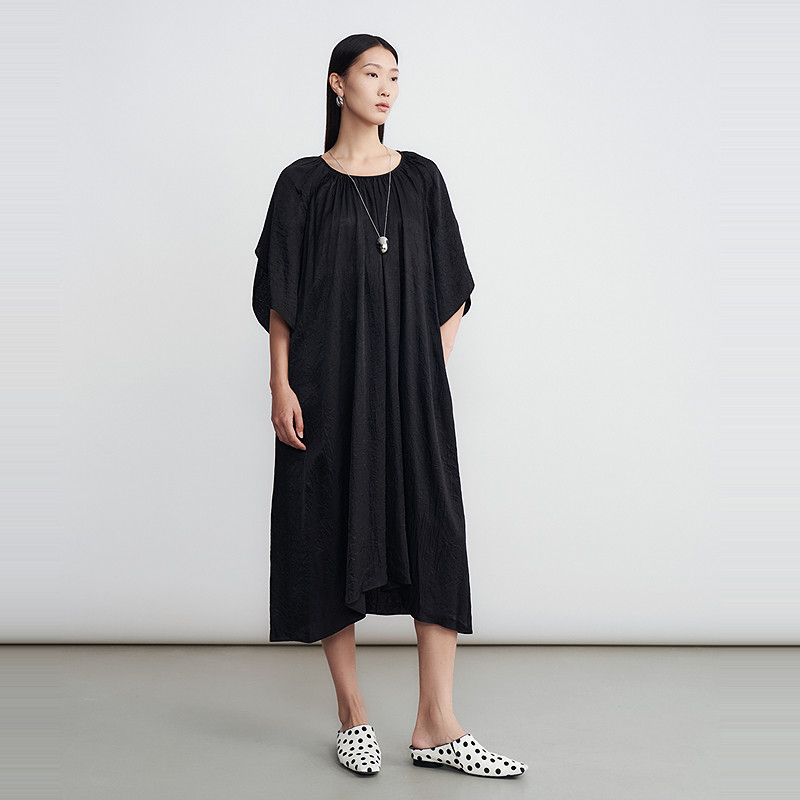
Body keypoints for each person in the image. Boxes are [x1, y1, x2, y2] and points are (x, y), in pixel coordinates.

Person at [252, 34, 528, 778]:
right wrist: (281, 384)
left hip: (412, 387)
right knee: (326, 524)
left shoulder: (422, 179)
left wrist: (423, 365)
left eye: (395, 77)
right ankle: (353, 716)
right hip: (323, 385)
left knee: (433, 526)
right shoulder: (301, 184)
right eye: (372, 74)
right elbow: (281, 295)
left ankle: (438, 724)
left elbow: (452, 284)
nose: (386, 88)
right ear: (337, 84)